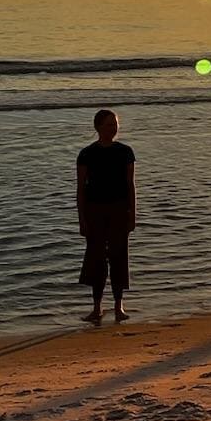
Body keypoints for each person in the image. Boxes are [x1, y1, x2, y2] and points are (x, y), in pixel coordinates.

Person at [75, 108, 134, 324]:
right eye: (109, 124)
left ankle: (119, 306)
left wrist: (132, 214)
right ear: (98, 127)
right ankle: (97, 308)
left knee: (119, 258)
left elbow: (130, 185)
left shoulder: (125, 151)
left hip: (119, 209)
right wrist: (82, 219)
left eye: (115, 124)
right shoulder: (87, 154)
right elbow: (81, 189)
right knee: (96, 260)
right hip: (95, 211)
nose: (113, 128)